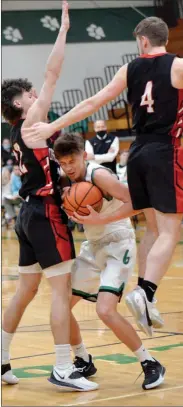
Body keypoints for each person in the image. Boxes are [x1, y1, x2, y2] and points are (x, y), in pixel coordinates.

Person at [24, 16, 183, 337]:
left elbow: (93, 102)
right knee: (170, 229)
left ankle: (144, 295)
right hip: (166, 151)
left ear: (142, 41)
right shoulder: (178, 65)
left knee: (151, 226)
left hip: (136, 150)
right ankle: (146, 291)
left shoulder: (129, 70)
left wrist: (53, 126)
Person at [1, 1, 98, 392]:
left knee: (25, 291)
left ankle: (2, 358)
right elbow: (53, 72)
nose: (37, 93)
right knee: (60, 291)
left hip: (27, 215)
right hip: (44, 213)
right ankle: (63, 367)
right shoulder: (31, 123)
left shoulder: (12, 134)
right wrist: (62, 31)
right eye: (31, 93)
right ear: (21, 103)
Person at [53, 132, 166, 390]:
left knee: (104, 310)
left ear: (84, 155)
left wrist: (100, 219)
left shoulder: (99, 175)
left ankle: (150, 362)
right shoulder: (65, 178)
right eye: (64, 163)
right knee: (60, 306)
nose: (68, 167)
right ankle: (82, 358)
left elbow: (137, 201)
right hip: (92, 246)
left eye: (72, 161)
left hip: (118, 241)